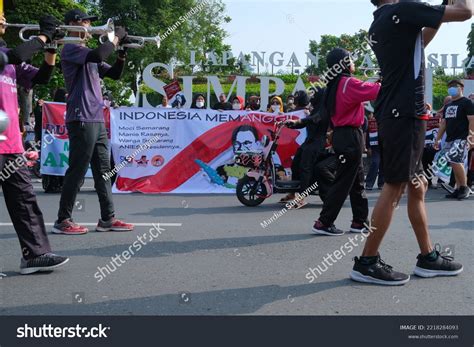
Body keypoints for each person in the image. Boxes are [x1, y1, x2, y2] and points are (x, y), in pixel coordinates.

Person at [351, 0, 471, 286]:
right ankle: (367, 261)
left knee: (418, 184)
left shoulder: (380, 21)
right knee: (394, 185)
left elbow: (421, 41)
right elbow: (466, 12)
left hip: (398, 111)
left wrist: (439, 10)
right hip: (405, 112)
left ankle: (428, 257)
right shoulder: (401, 10)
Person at [53, 9, 134, 235]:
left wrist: (122, 52)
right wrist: (114, 39)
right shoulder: (70, 49)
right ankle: (63, 220)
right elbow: (98, 56)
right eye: (85, 22)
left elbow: (115, 74)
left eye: (89, 22)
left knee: (104, 171)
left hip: (96, 117)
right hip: (81, 116)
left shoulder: (88, 53)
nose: (89, 26)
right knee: (77, 170)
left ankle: (107, 218)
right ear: (72, 25)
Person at [0, 14, 69, 274]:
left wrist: (51, 49)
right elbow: (16, 55)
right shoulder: (8, 56)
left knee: (25, 201)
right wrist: (43, 36)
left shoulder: (8, 55)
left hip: (12, 144)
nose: (4, 20)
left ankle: (35, 255)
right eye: (0, 17)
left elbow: (42, 78)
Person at [311, 48, 380, 236]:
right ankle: (324, 222)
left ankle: (359, 221)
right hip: (351, 136)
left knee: (357, 180)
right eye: (350, 59)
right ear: (344, 63)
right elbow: (375, 91)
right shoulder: (348, 82)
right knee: (343, 182)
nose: (353, 63)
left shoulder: (334, 85)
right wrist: (384, 77)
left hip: (342, 135)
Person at [434, 79, 474, 200]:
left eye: (454, 86)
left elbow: (472, 120)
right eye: (450, 86)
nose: (451, 88)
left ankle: (464, 187)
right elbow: (444, 123)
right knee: (454, 162)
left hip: (462, 138)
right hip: (450, 139)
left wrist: (471, 137)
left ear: (461, 88)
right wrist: (438, 139)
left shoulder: (467, 103)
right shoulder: (449, 105)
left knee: (455, 160)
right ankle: (458, 188)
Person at [365, 112, 384, 190]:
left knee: (383, 163)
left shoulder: (385, 119)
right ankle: (369, 183)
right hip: (374, 144)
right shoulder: (371, 122)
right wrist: (368, 146)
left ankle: (381, 183)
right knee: (375, 163)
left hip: (384, 143)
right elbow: (367, 134)